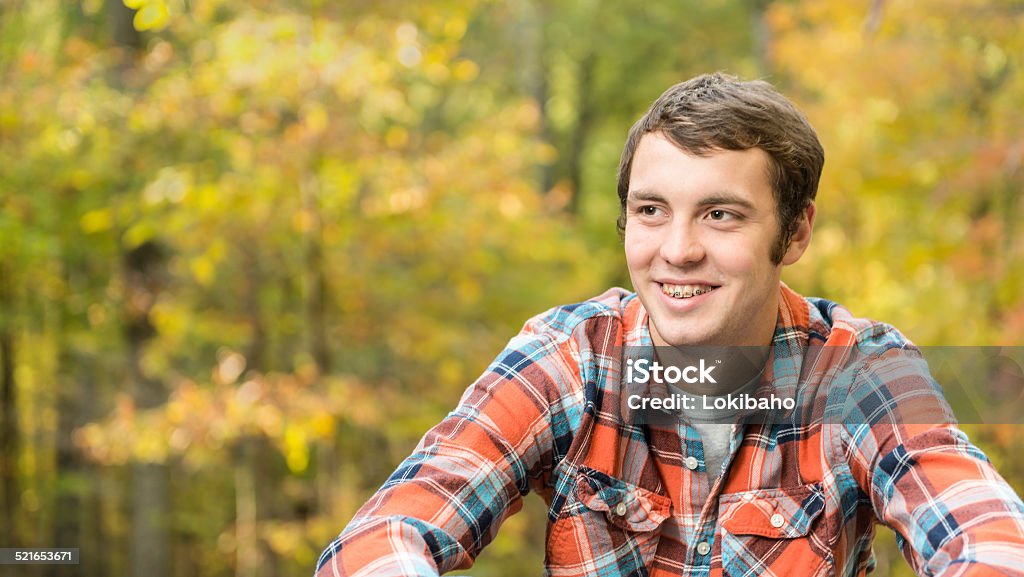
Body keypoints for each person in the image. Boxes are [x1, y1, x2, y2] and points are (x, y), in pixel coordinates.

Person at [314, 73, 1024, 576]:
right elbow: (383, 536)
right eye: (653, 210)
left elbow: (992, 539)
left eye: (721, 214)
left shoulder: (861, 373)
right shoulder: (572, 358)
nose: (677, 249)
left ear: (796, 232)